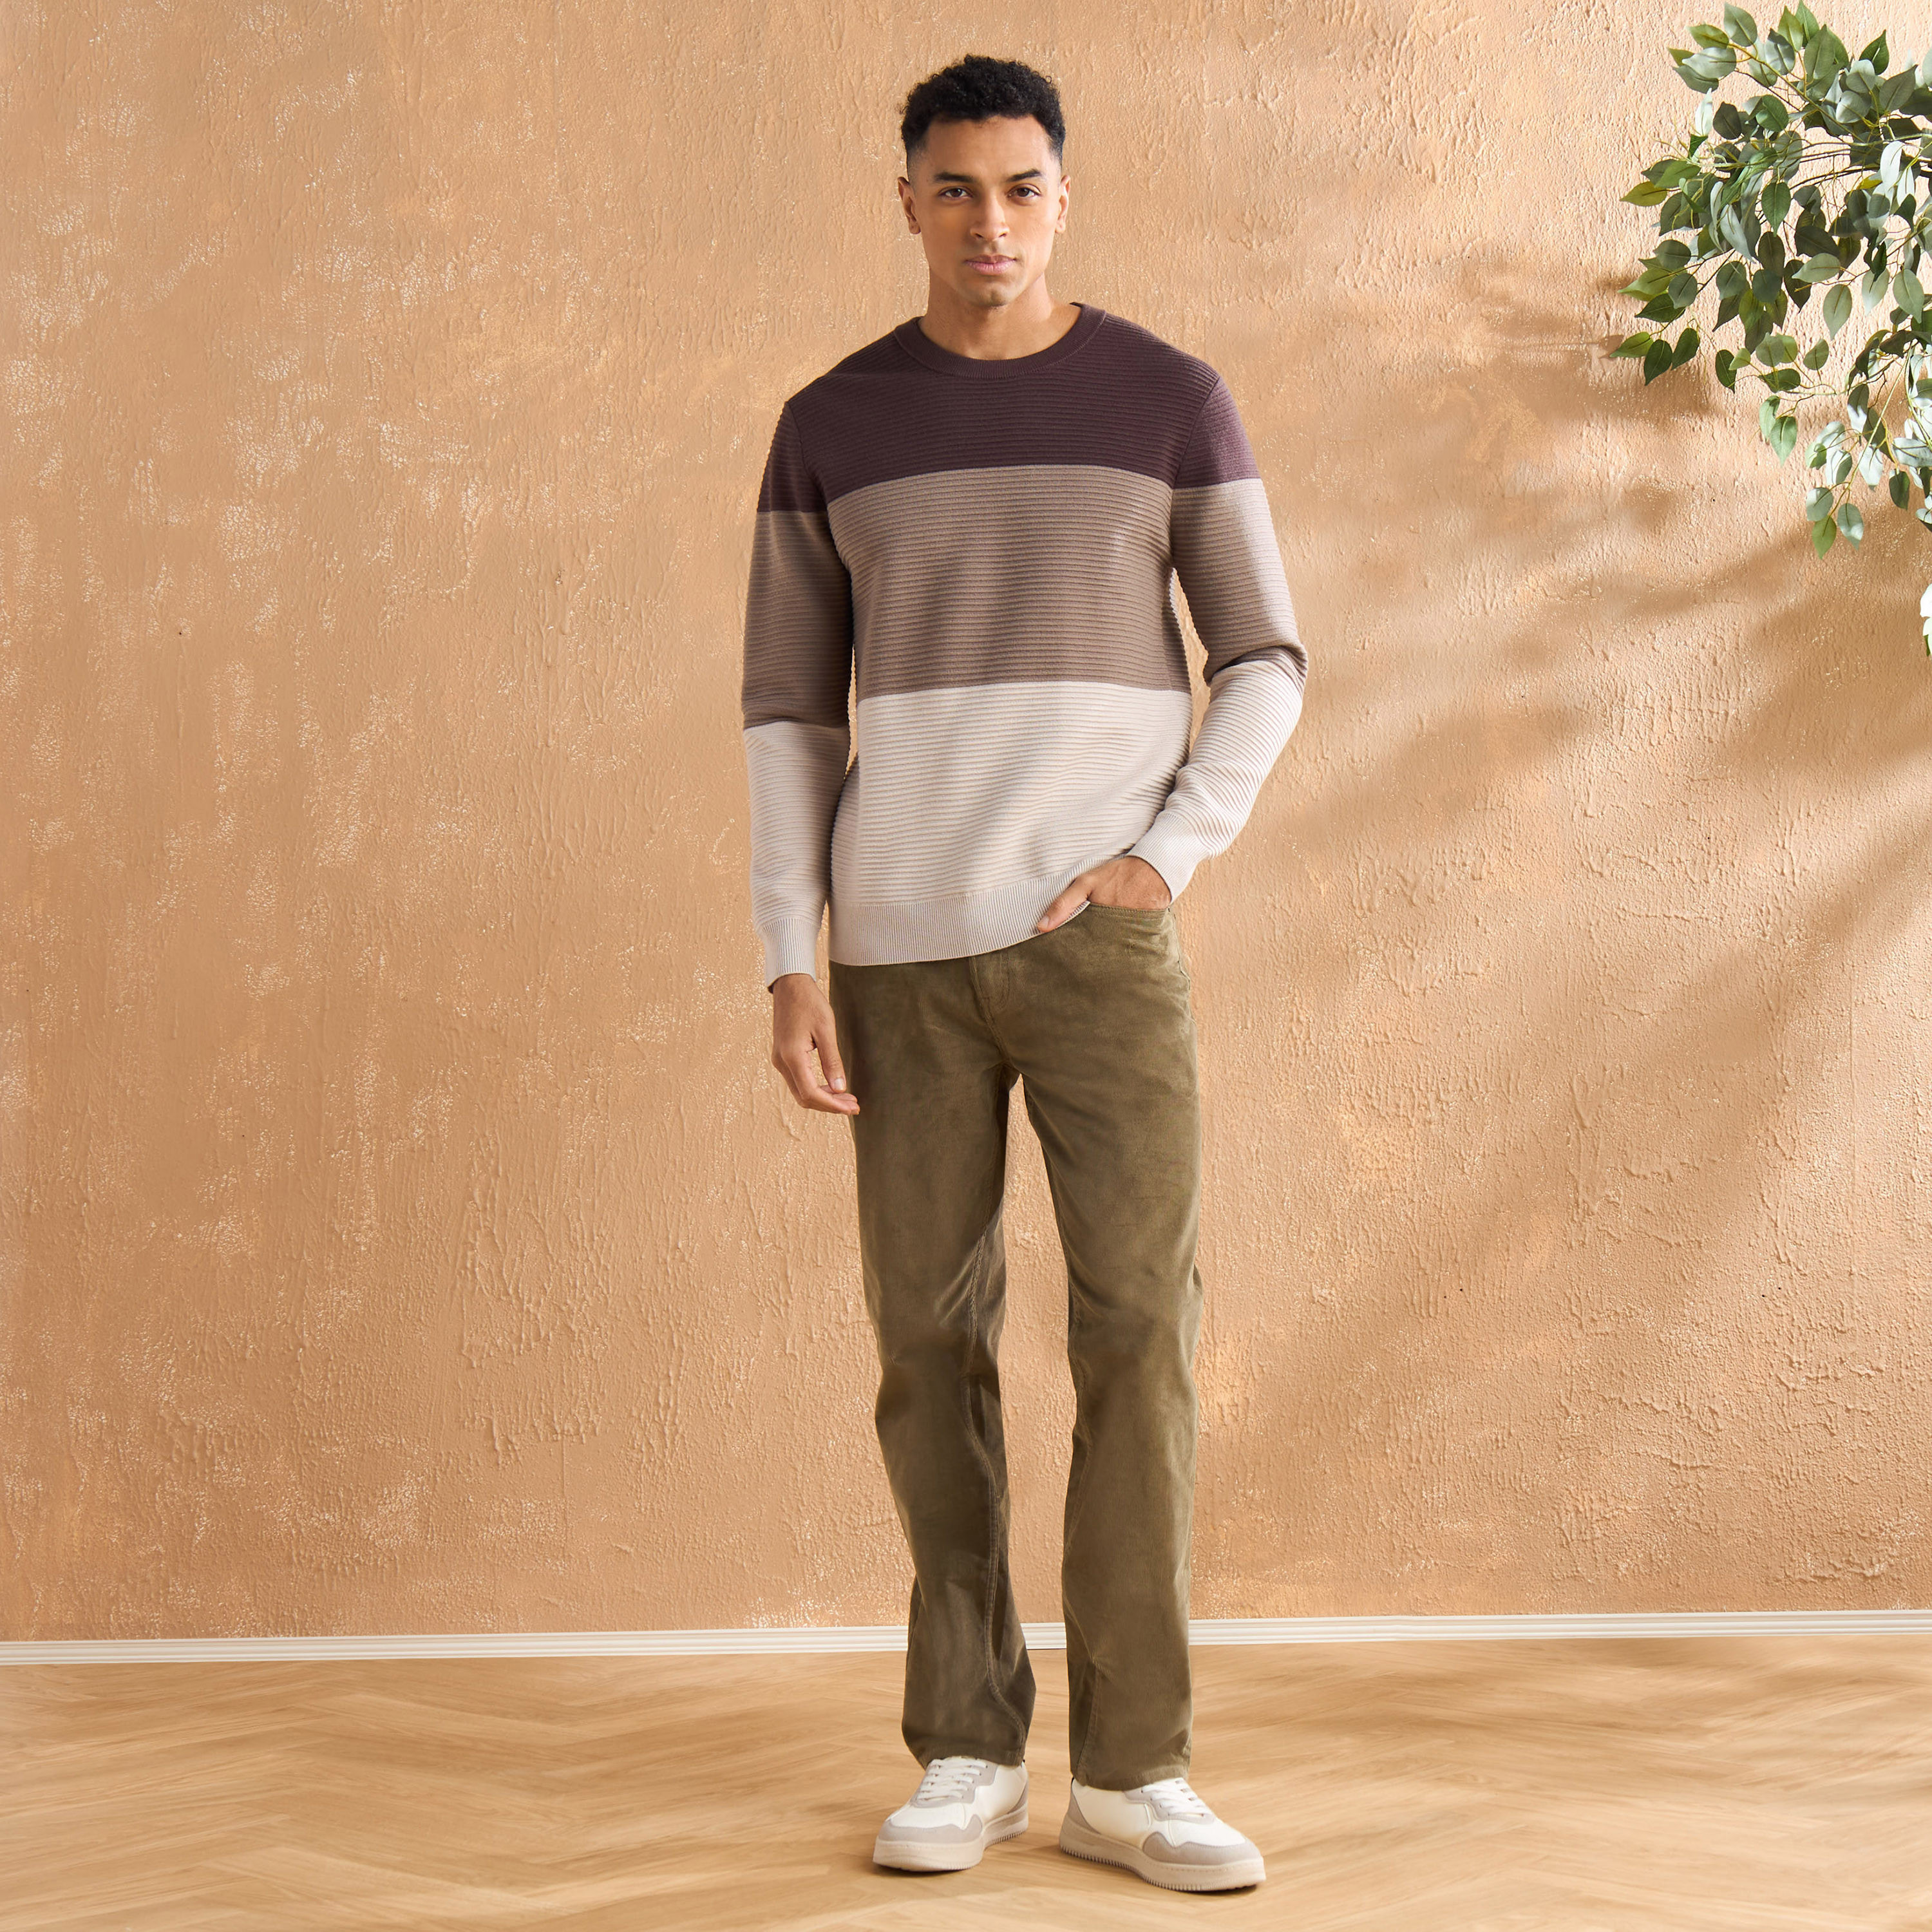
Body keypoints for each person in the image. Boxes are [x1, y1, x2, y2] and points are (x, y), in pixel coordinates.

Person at [739, 52, 1307, 1895]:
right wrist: (789, 956)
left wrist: (1168, 854)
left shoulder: (1168, 401)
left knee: (1142, 1336)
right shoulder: (830, 424)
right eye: (957, 188)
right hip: (897, 957)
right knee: (928, 1347)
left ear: (1064, 197)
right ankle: (968, 1750)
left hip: (1101, 952)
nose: (991, 222)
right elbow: (786, 716)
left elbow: (1267, 658)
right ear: (907, 200)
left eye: (1023, 187)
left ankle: (1135, 1773)